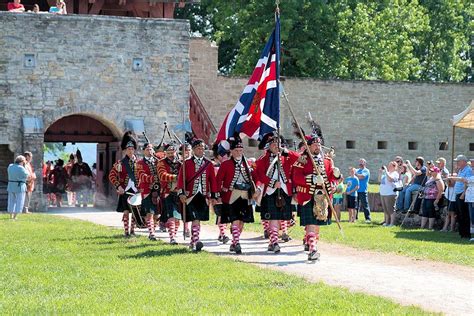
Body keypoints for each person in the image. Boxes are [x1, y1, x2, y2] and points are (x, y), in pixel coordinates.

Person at [292, 135, 341, 261]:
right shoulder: (302, 160)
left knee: (317, 225)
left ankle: (311, 242)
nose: (317, 147)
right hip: (308, 195)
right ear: (308, 146)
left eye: (319, 145)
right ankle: (313, 250)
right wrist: (312, 179)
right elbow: (296, 177)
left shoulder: (327, 161)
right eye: (314, 145)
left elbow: (331, 178)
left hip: (323, 197)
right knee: (311, 224)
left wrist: (336, 175)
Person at [254, 132, 299, 253]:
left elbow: (298, 158)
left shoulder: (286, 157)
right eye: (273, 143)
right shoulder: (263, 160)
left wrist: (285, 151)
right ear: (269, 145)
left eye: (278, 143)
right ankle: (274, 242)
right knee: (273, 218)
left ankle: (274, 240)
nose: (276, 146)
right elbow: (260, 175)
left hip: (284, 192)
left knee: (283, 217)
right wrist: (272, 183)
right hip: (270, 192)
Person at [216, 134, 257, 254]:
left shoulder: (247, 164)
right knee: (235, 219)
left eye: (240, 150)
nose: (239, 153)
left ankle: (234, 242)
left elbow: (254, 177)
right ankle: (237, 242)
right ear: (232, 151)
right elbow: (219, 180)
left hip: (245, 194)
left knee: (242, 221)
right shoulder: (226, 164)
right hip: (232, 194)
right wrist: (218, 194)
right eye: (236, 151)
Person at [177, 138, 218, 252]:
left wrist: (214, 196)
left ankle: (193, 240)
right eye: (198, 148)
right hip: (191, 196)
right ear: (194, 150)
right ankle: (196, 241)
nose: (201, 150)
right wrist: (181, 193)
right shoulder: (187, 163)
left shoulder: (208, 164)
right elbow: (181, 180)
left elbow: (212, 181)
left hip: (203, 195)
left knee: (198, 218)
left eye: (202, 148)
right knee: (194, 217)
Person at [108, 131, 139, 237]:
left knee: (135, 211)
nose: (130, 151)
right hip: (125, 190)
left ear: (134, 149)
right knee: (126, 212)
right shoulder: (120, 163)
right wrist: (118, 186)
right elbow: (112, 175)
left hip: (136, 190)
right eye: (128, 149)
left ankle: (133, 230)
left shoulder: (139, 163)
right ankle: (126, 231)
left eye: (132, 149)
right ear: (125, 150)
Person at [157, 142, 182, 245]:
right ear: (165, 153)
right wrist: (176, 177)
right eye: (169, 152)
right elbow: (162, 175)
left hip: (179, 192)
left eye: (172, 151)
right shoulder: (161, 163)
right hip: (167, 192)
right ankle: (172, 237)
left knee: (178, 217)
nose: (171, 154)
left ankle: (174, 235)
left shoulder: (181, 163)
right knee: (171, 216)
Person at [137, 142, 160, 241]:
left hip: (158, 191)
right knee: (149, 213)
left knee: (157, 214)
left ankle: (153, 230)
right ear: (143, 151)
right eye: (147, 149)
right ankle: (151, 233)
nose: (149, 151)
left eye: (151, 149)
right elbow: (142, 176)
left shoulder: (158, 162)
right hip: (147, 191)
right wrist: (155, 178)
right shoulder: (139, 163)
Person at [448, 155, 473, 239]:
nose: (457, 163)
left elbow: (466, 182)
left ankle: (466, 234)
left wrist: (463, 194)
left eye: (458, 161)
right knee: (459, 214)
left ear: (463, 161)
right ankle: (462, 233)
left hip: (462, 194)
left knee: (464, 214)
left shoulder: (468, 170)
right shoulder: (460, 170)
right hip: (458, 194)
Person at [211, 142, 231, 244]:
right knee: (220, 214)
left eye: (227, 154)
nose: (225, 156)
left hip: (229, 193)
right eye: (222, 154)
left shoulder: (231, 165)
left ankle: (221, 233)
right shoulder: (213, 166)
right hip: (218, 193)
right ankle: (223, 235)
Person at [7, 156, 29, 220]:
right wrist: (25, 167)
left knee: (11, 201)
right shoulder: (21, 168)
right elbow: (27, 175)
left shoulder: (10, 166)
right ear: (22, 162)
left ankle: (11, 216)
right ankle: (15, 216)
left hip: (11, 185)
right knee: (19, 201)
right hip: (19, 186)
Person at [378, 161, 399, 227]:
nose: (388, 167)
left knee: (391, 209)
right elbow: (379, 180)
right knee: (385, 209)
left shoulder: (395, 173)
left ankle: (392, 223)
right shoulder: (386, 173)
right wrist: (380, 173)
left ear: (394, 167)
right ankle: (387, 223)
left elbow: (390, 179)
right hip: (383, 193)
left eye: (390, 166)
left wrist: (386, 171)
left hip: (390, 193)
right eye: (388, 165)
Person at [355, 158, 371, 223]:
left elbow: (361, 177)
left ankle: (368, 218)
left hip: (363, 190)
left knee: (365, 205)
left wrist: (355, 174)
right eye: (360, 162)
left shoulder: (366, 171)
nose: (360, 164)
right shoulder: (357, 170)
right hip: (356, 190)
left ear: (365, 163)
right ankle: (355, 218)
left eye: (362, 162)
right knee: (356, 205)